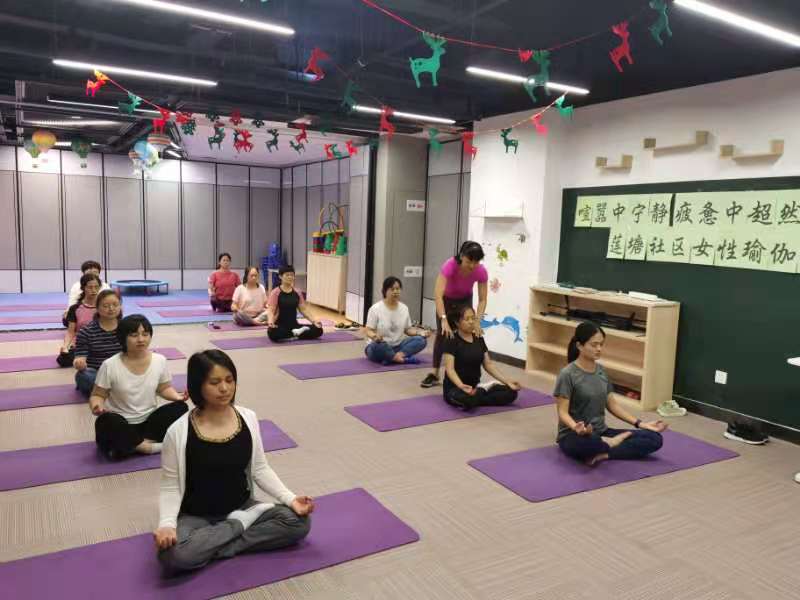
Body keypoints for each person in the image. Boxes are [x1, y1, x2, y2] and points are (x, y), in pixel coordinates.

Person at [154, 349, 313, 574]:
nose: (224, 388)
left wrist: (290, 499)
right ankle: (240, 524)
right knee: (173, 555)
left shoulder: (248, 418)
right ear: (198, 385)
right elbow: (170, 486)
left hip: (242, 505)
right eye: (215, 382)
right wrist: (167, 524)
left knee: (299, 522)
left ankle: (214, 545)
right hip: (197, 516)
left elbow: (260, 468)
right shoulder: (177, 431)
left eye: (229, 380)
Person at [555, 321, 667, 466]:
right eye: (594, 345)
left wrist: (641, 424)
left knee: (654, 438)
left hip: (601, 432)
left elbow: (612, 405)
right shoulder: (567, 374)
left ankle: (605, 452)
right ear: (579, 346)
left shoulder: (601, 371)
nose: (599, 349)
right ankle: (605, 445)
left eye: (601, 344)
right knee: (590, 444)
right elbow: (562, 412)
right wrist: (576, 427)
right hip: (573, 435)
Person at [90, 314, 188, 460]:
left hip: (149, 423)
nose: (141, 339)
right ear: (123, 338)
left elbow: (163, 388)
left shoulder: (159, 360)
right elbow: (98, 395)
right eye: (134, 335)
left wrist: (177, 396)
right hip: (122, 423)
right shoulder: (109, 365)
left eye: (145, 334)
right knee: (106, 421)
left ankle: (131, 446)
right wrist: (97, 406)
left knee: (181, 408)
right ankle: (147, 447)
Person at [421, 241, 488, 388]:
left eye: (476, 262)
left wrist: (478, 320)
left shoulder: (481, 271)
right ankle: (434, 373)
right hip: (446, 300)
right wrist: (444, 319)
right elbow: (438, 295)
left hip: (465, 300)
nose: (472, 266)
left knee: (467, 333)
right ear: (462, 256)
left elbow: (483, 299)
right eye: (469, 261)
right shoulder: (450, 265)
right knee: (443, 334)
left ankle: (464, 373)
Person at [442, 305, 520, 411]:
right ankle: (482, 392)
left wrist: (507, 381)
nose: (471, 322)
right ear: (457, 322)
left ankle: (478, 394)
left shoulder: (479, 339)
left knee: (511, 393)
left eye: (473, 318)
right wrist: (461, 386)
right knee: (466, 399)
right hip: (455, 388)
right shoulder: (451, 340)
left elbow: (488, 364)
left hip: (475, 386)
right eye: (467, 319)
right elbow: (450, 370)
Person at [364, 276, 429, 365]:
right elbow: (368, 330)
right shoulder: (375, 308)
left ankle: (393, 357)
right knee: (377, 346)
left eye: (397, 289)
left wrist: (420, 333)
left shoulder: (404, 308)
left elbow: (407, 330)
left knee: (421, 340)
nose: (395, 291)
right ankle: (401, 359)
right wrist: (375, 336)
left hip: (398, 346)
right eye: (392, 289)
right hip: (380, 346)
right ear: (385, 291)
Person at [74, 289, 123, 397]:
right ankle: (114, 390)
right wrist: (79, 362)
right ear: (97, 308)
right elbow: (80, 356)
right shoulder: (86, 331)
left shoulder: (127, 328)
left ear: (120, 306)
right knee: (84, 376)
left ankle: (106, 391)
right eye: (105, 306)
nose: (111, 308)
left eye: (115, 305)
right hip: (97, 374)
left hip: (121, 372)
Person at [266, 265, 323, 342]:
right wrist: (270, 322)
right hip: (280, 326)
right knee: (273, 334)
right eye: (287, 275)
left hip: (294, 325)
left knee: (319, 330)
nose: (290, 277)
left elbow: (303, 310)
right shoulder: (275, 292)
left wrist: (314, 321)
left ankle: (293, 334)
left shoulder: (297, 292)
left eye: (292, 275)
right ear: (280, 276)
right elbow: (271, 310)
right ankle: (297, 334)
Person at [57, 273, 101, 367]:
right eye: (90, 287)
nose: (94, 290)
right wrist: (65, 346)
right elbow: (70, 332)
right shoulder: (75, 308)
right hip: (82, 345)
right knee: (62, 360)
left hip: (100, 343)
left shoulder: (103, 306)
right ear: (83, 288)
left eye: (96, 287)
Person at [63, 260, 110, 326]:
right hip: (82, 311)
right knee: (66, 318)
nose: (92, 275)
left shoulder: (105, 286)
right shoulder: (76, 286)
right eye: (89, 273)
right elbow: (72, 302)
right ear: (83, 273)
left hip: (100, 312)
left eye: (95, 272)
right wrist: (69, 312)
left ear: (99, 273)